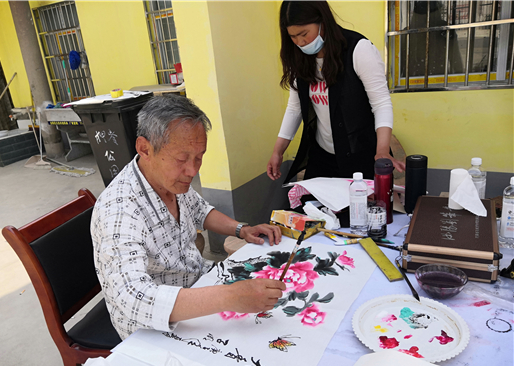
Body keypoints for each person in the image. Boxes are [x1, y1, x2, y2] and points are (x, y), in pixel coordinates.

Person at [91, 94, 285, 339]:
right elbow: (133, 298)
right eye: (182, 159)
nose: (193, 170)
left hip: (197, 286)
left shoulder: (170, 180)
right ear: (145, 149)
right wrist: (230, 297)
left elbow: (199, 211)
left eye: (199, 157)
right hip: (153, 328)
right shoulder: (119, 209)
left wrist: (242, 230)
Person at [267, 1, 405, 184]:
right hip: (322, 156)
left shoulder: (358, 49)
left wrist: (382, 151)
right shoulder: (299, 58)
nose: (300, 42)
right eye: (293, 36)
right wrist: (278, 151)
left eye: (304, 34)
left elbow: (381, 104)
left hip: (359, 155)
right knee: (310, 202)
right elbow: (294, 108)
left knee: (360, 202)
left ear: (322, 21)